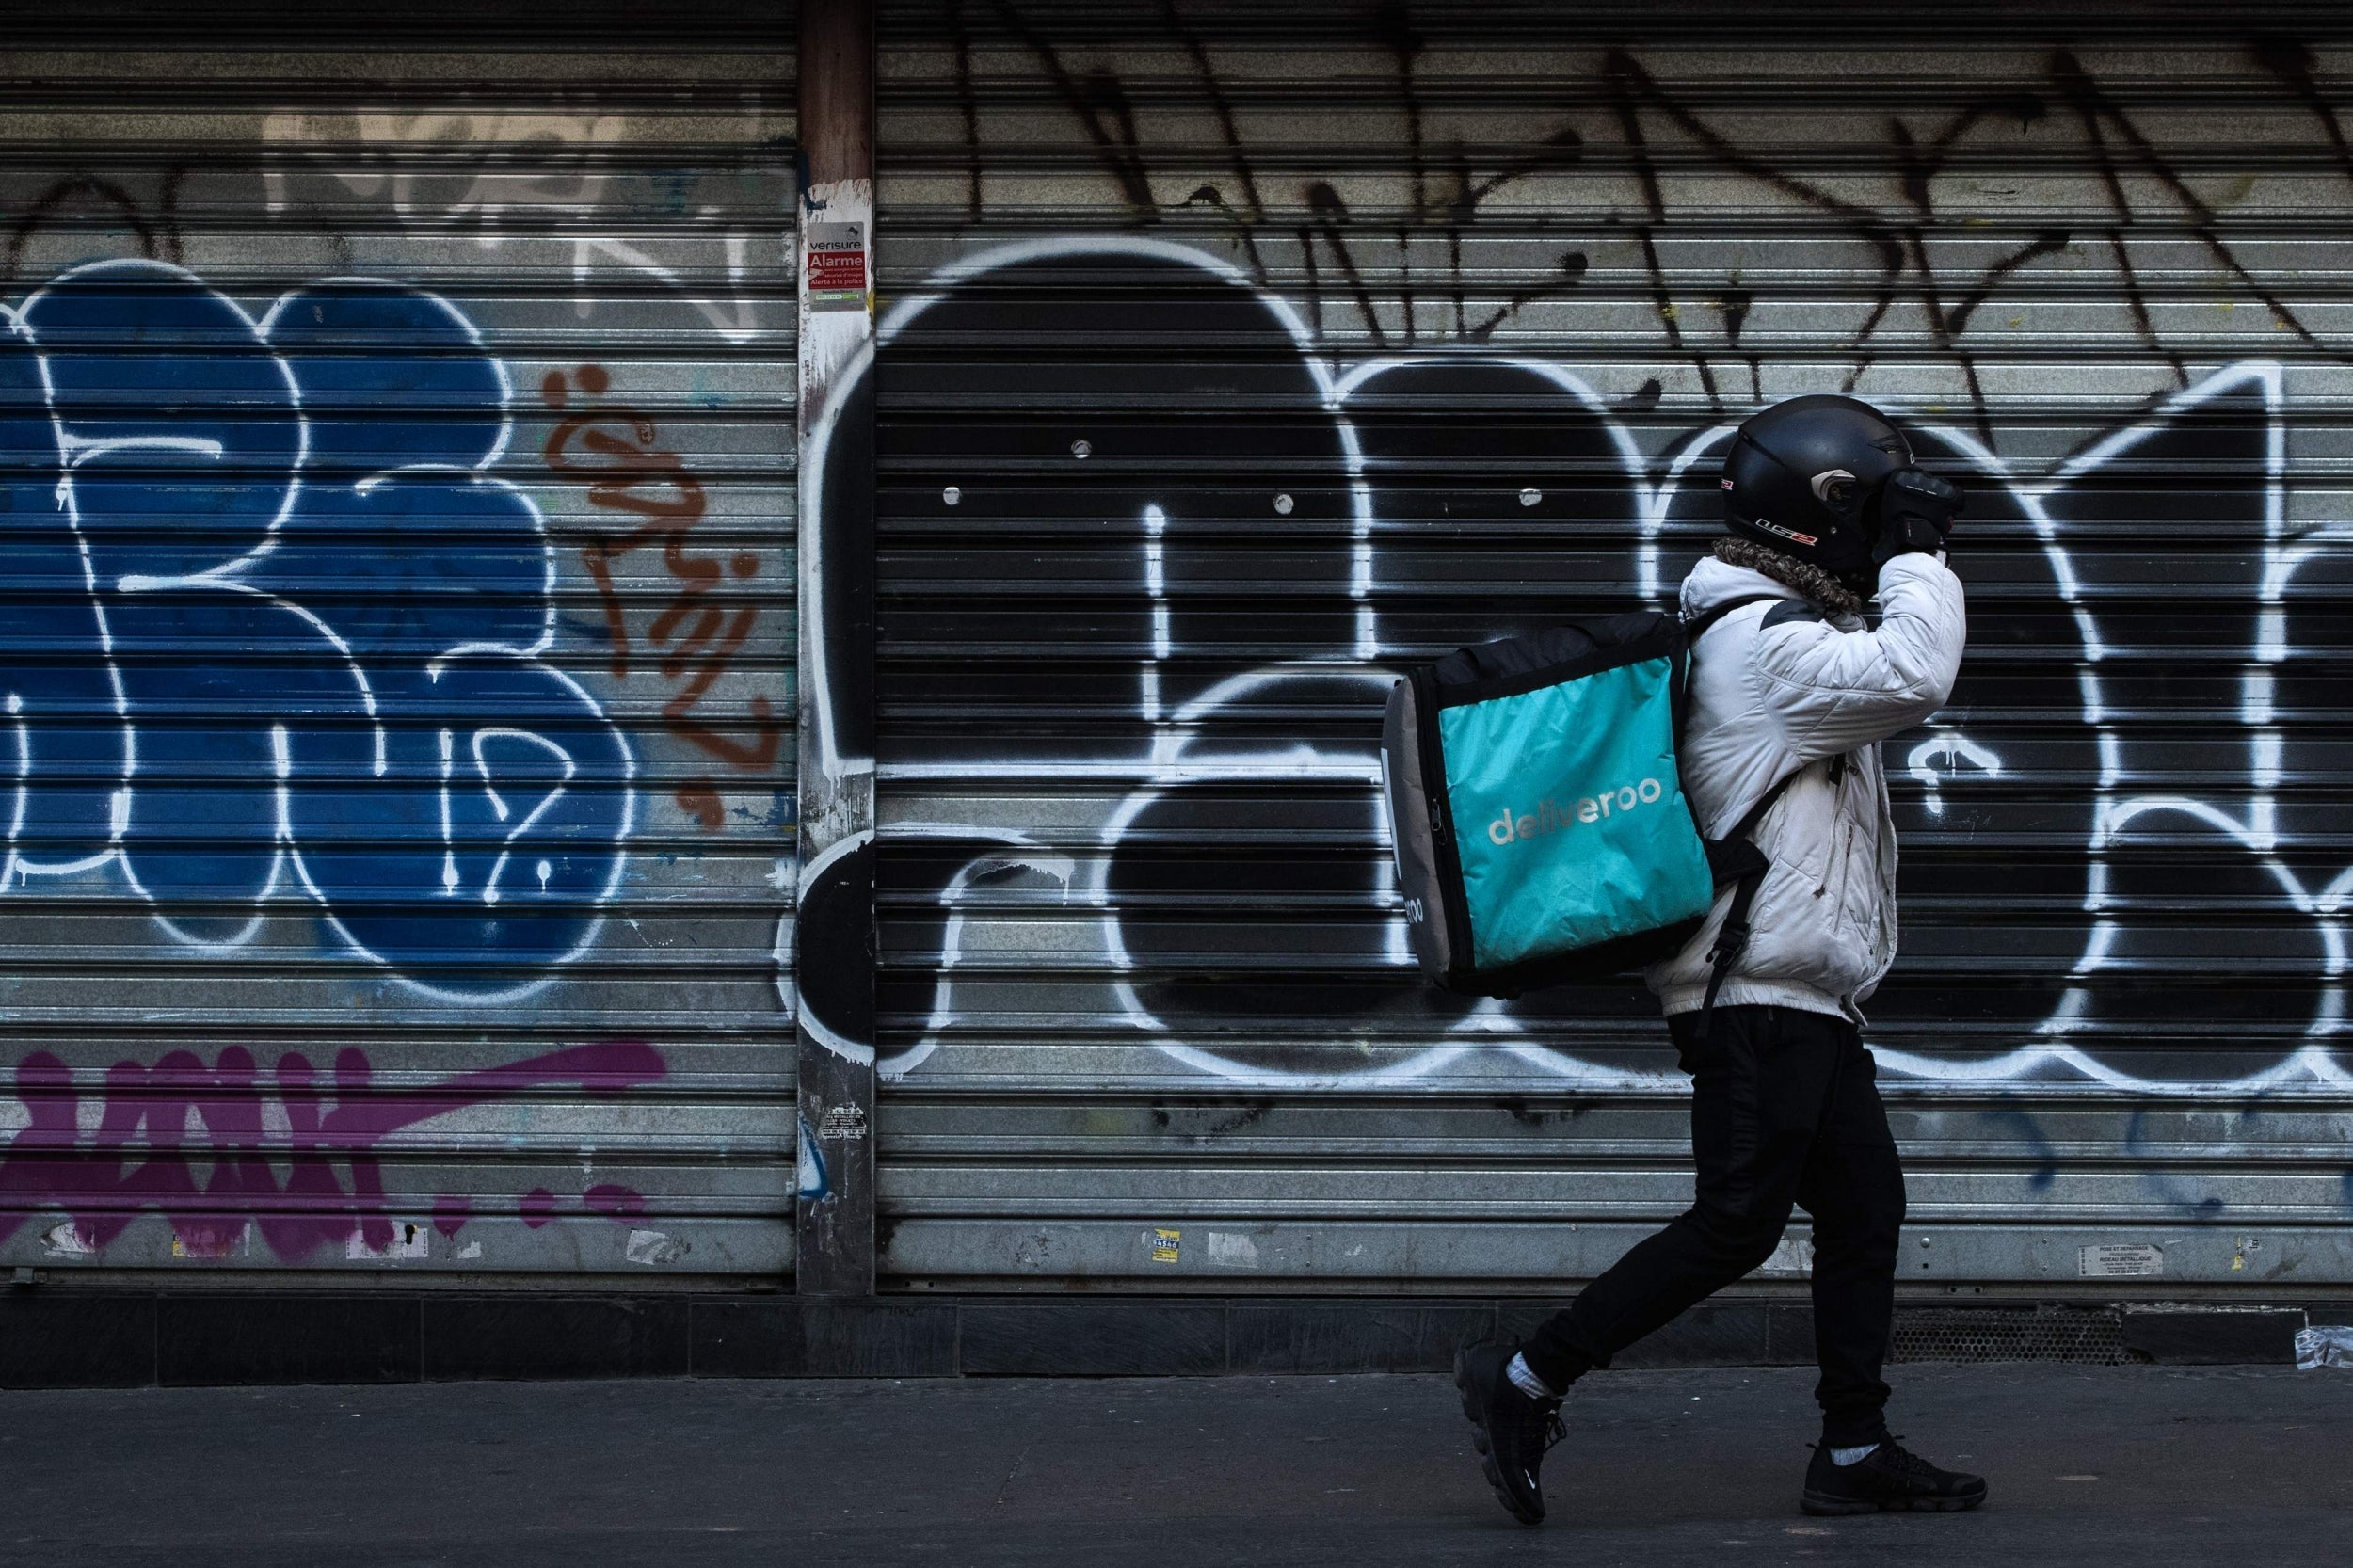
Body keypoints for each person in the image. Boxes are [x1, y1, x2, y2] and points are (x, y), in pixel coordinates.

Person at [1454, 394, 1986, 1526]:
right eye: (1870, 511)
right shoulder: (1767, 646)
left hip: (1805, 992)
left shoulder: (1773, 632)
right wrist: (1922, 555)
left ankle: (1851, 1448)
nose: (1881, 532)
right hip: (1754, 992)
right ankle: (1523, 1381)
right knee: (1735, 1222)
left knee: (1862, 1209)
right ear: (1825, 513)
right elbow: (1917, 673)